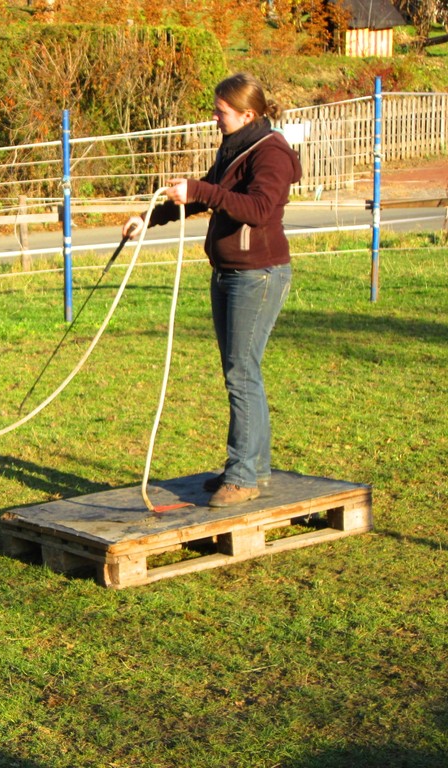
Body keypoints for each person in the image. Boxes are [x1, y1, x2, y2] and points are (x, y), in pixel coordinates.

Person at [123, 72, 301, 508]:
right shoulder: (235, 146)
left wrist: (202, 189)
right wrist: (150, 219)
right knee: (242, 373)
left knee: (241, 374)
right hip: (228, 270)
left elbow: (258, 209)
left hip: (257, 274)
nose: (215, 118)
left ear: (247, 114)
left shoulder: (271, 153)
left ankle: (242, 477)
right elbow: (208, 197)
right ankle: (252, 467)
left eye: (222, 112)